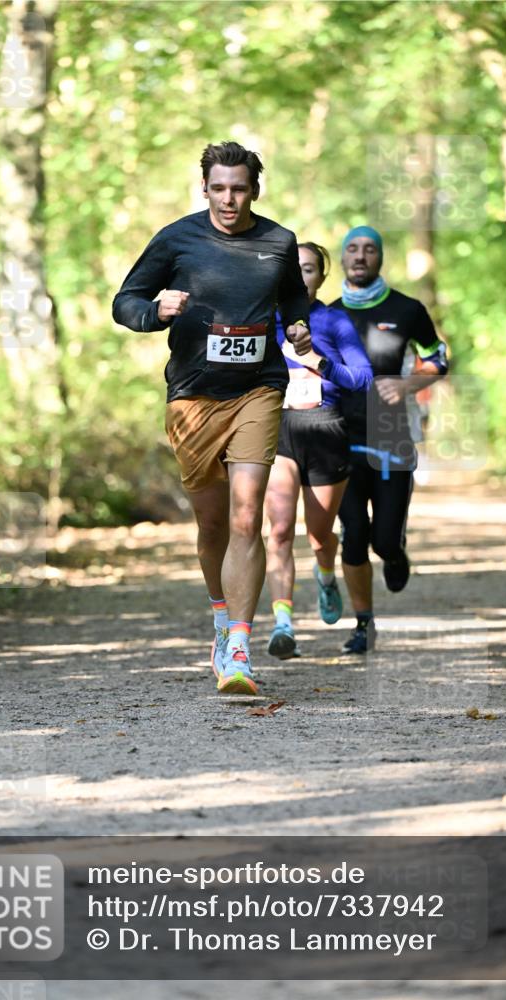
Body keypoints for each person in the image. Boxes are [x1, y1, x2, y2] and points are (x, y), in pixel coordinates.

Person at [112, 141, 312, 695]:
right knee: (212, 525)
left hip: (259, 389)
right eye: (219, 188)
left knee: (248, 515)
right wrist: (157, 311)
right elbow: (124, 301)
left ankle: (242, 647)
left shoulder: (278, 241)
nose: (229, 199)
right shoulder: (177, 239)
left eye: (239, 188)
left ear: (255, 189)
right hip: (194, 396)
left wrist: (299, 328)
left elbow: (295, 302)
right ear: (205, 188)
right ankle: (221, 618)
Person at [331, 226, 449, 654]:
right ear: (342, 258)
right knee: (353, 533)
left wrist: (406, 385)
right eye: (352, 249)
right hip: (341, 439)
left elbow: (438, 357)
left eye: (369, 250)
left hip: (392, 438)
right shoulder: (326, 315)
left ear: (380, 258)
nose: (360, 256)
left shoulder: (407, 309)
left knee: (382, 539)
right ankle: (363, 623)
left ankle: (396, 555)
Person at [264, 243, 373, 660]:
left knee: (319, 534)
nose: (299, 277)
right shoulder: (263, 320)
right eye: (292, 270)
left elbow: (362, 379)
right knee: (277, 530)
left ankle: (325, 574)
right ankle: (283, 623)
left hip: (326, 428)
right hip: (280, 429)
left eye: (307, 270)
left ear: (320, 278)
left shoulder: (333, 320)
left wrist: (317, 360)